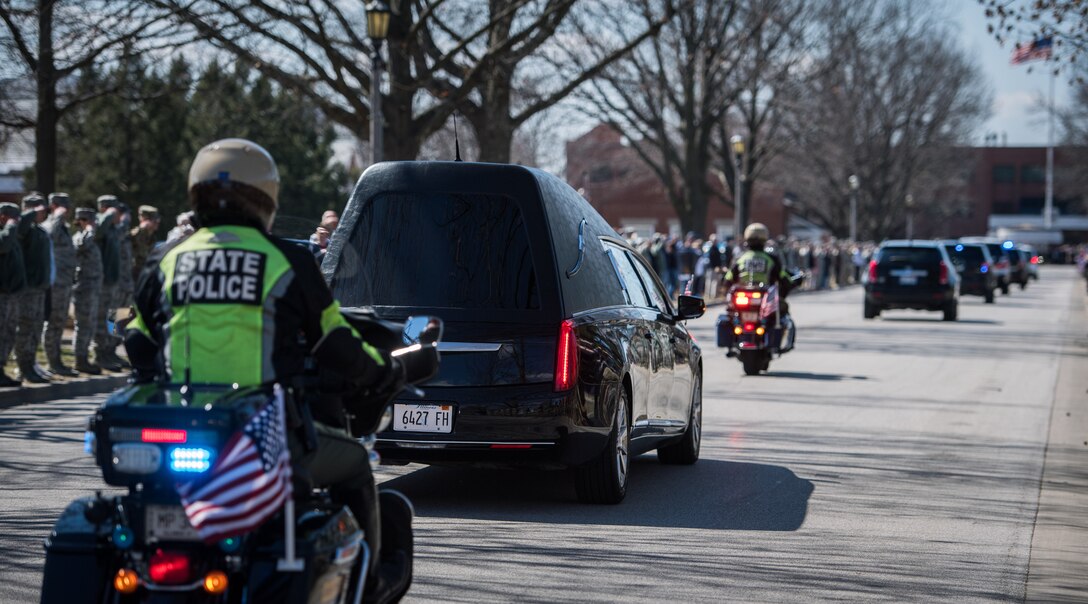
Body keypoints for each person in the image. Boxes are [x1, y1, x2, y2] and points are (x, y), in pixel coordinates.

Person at [124, 138, 403, 589]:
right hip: (265, 443)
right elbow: (335, 344)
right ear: (266, 199)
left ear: (195, 194)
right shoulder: (287, 260)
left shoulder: (167, 259)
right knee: (354, 463)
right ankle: (369, 585)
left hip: (179, 439)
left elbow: (137, 339)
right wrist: (383, 371)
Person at [724, 222, 795, 351]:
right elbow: (783, 277)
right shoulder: (771, 258)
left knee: (730, 312)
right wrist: (789, 284)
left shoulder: (740, 257)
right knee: (783, 310)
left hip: (742, 297)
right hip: (764, 298)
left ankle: (732, 340)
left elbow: (728, 279)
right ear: (764, 239)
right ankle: (778, 342)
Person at [13, 193, 53, 383]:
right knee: (26, 327)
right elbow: (19, 227)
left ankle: (30, 363)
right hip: (28, 288)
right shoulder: (23, 229)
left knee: (35, 327)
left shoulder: (40, 231)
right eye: (39, 209)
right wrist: (29, 213)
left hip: (39, 288)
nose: (43, 212)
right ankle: (23, 366)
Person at [42, 192, 78, 376]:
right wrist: (56, 216)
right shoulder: (51, 224)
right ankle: (52, 361)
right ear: (54, 206)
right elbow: (48, 234)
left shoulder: (63, 227)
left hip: (64, 283)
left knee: (60, 322)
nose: (68, 210)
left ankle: (57, 361)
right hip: (55, 283)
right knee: (53, 322)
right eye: (64, 206)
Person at [93, 195, 124, 371]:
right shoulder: (99, 224)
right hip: (103, 282)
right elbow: (98, 233)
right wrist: (107, 215)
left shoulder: (113, 229)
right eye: (115, 210)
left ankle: (109, 351)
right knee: (101, 319)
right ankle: (100, 354)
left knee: (114, 318)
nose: (118, 214)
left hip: (114, 281)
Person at [72, 207, 104, 374]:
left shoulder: (90, 239)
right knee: (83, 324)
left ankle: (84, 358)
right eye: (90, 222)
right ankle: (80, 359)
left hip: (92, 289)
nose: (94, 226)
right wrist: (89, 231)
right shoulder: (80, 238)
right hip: (84, 289)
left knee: (89, 324)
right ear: (83, 222)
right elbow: (82, 245)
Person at [0, 203, 26, 387]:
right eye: (13, 218)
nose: (16, 222)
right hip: (2, 293)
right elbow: (3, 246)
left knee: (9, 333)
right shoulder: (5, 234)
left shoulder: (12, 234)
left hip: (12, 293)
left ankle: (1, 368)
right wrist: (9, 226)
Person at [130, 205, 160, 281]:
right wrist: (141, 229)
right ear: (145, 221)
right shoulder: (136, 234)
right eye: (154, 221)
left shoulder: (152, 237)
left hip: (147, 272)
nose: (157, 223)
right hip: (135, 274)